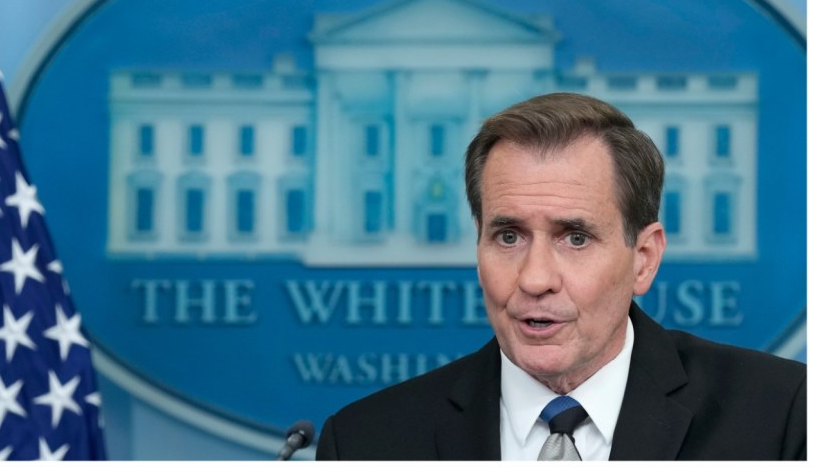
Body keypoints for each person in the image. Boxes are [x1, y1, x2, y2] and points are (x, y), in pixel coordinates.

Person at [315, 92, 806, 460]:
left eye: (574, 237)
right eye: (508, 237)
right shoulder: (365, 442)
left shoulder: (784, 415)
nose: (534, 279)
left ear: (643, 258)